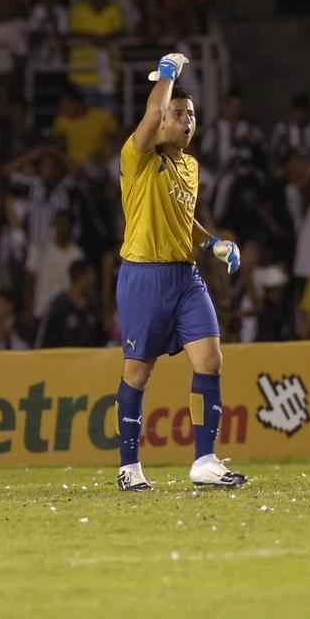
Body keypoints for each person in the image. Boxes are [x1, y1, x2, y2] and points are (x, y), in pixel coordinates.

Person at [113, 52, 245, 491]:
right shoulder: (137, 157)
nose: (186, 122)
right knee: (137, 373)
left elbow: (181, 218)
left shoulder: (190, 166)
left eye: (191, 115)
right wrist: (167, 74)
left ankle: (204, 461)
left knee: (210, 360)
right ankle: (129, 466)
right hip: (144, 276)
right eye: (177, 114)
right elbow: (152, 111)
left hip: (185, 277)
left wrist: (211, 242)